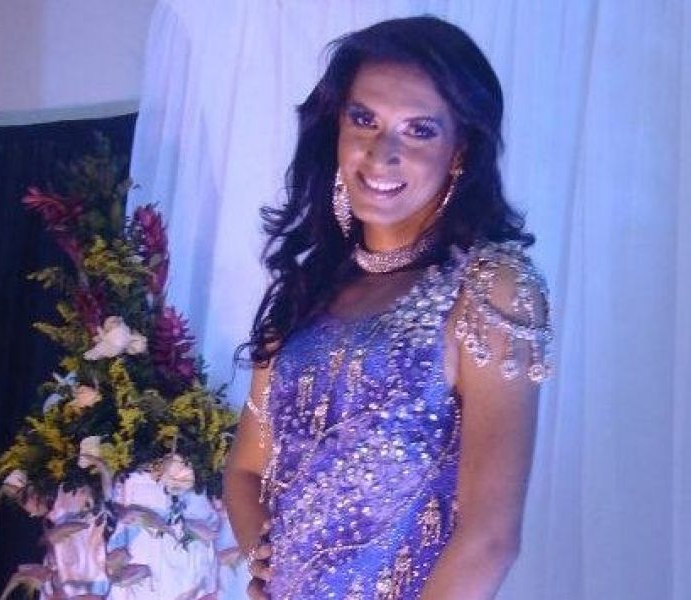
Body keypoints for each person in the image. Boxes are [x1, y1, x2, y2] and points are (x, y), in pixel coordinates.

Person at [223, 15, 553, 600]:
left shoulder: (489, 286)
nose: (383, 152)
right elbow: (245, 470)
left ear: (460, 150)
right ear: (336, 128)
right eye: (364, 120)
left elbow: (490, 538)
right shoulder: (307, 294)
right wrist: (265, 561)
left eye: (419, 130)